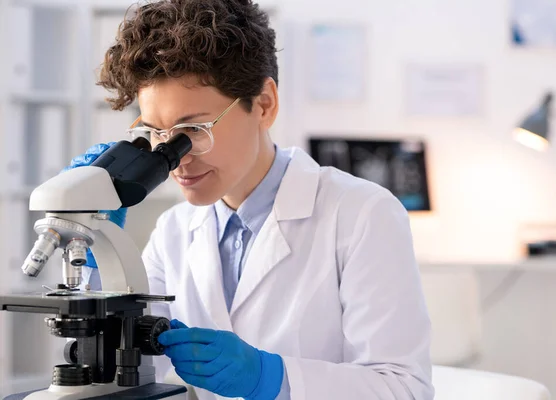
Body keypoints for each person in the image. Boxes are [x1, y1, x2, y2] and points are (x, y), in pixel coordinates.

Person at [66, 0, 434, 398]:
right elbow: (129, 366)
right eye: (156, 133)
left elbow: (404, 388)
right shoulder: (174, 230)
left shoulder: (362, 214)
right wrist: (99, 251)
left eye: (193, 129)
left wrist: (272, 377)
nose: (176, 159)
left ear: (264, 105)